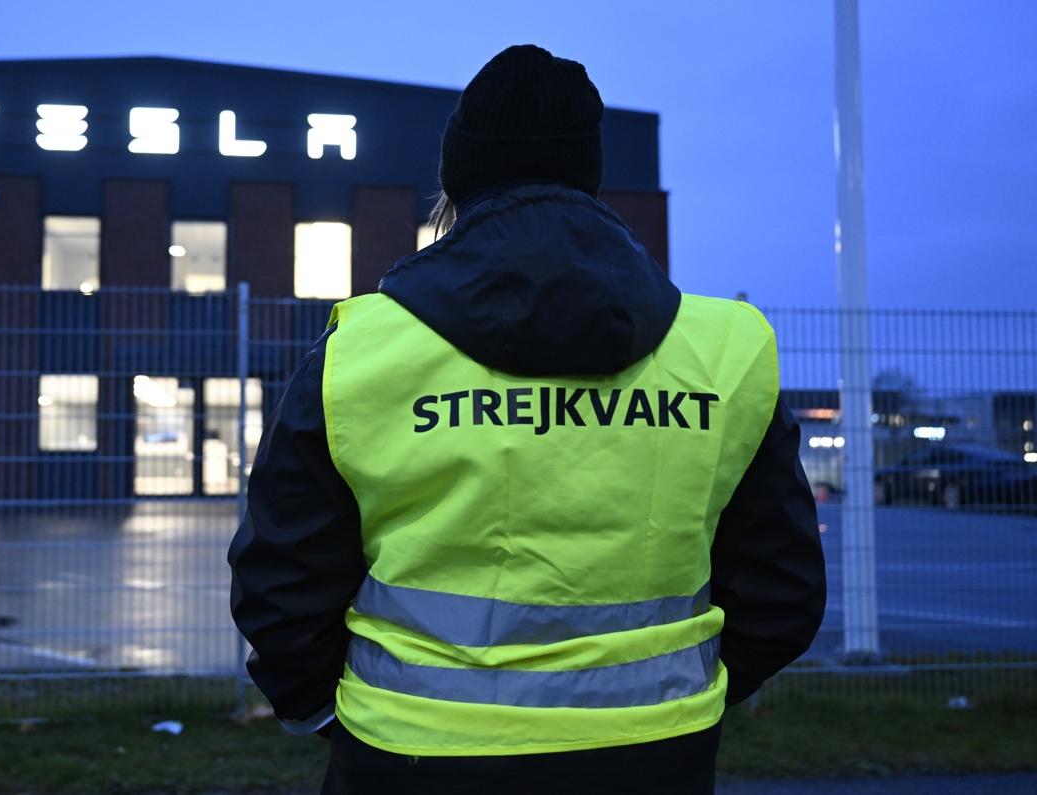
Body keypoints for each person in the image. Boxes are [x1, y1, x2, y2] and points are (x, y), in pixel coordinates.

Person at [228, 44, 826, 794]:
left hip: (411, 759)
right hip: (653, 759)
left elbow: (280, 575)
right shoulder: (726, 350)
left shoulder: (365, 348)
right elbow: (783, 588)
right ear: (590, 175)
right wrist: (674, 704)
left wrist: (322, 712)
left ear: (457, 177)